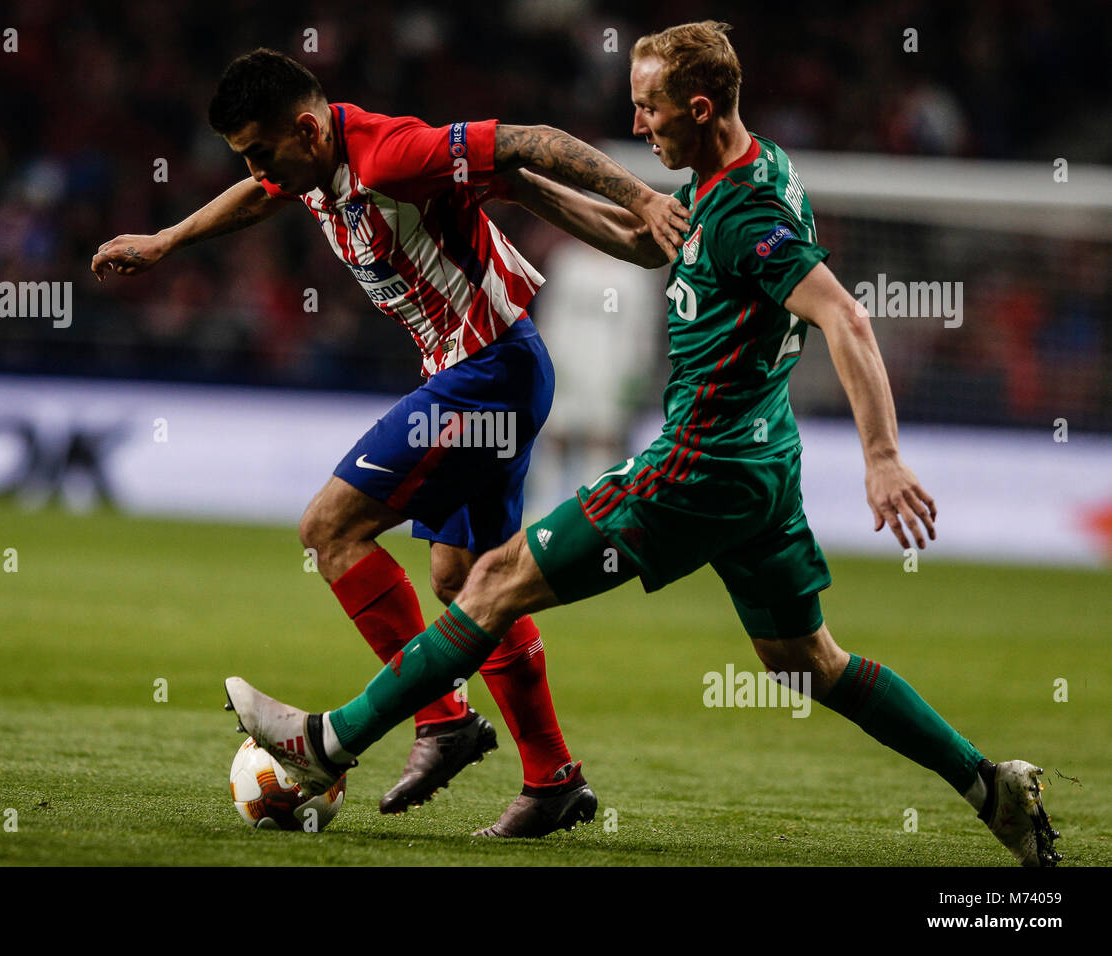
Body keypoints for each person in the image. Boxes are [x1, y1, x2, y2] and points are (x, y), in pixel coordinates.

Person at [223, 23, 1061, 867]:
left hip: (698, 463)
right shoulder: (738, 169)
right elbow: (636, 240)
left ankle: (327, 744)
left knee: (490, 580)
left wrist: (881, 456)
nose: (639, 121)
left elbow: (844, 313)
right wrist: (520, 189)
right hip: (764, 466)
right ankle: (991, 785)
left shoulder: (744, 211)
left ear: (697, 107)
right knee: (808, 661)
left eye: (649, 106)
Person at [92, 48, 689, 836]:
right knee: (469, 580)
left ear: (306, 131)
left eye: (262, 152)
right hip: (492, 369)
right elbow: (257, 197)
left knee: (329, 529)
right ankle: (552, 779)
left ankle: (442, 721)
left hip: (489, 375)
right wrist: (168, 241)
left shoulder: (390, 154)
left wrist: (643, 196)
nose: (257, 170)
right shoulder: (307, 164)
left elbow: (534, 139)